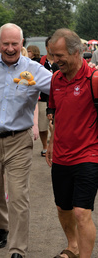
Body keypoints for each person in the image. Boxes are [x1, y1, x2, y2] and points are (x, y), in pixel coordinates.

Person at [0, 23, 52, 258]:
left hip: (19, 140)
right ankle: (2, 226)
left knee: (18, 196)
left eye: (14, 43)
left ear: (22, 43)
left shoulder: (34, 70)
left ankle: (17, 249)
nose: (9, 48)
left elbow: (59, 86)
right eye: (5, 43)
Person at [46, 28, 98, 258]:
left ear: (77, 52)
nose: (55, 61)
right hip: (61, 155)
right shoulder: (56, 79)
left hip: (88, 154)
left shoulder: (93, 78)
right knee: (62, 208)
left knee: (80, 212)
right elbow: (57, 115)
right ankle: (73, 246)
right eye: (52, 56)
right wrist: (50, 144)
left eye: (59, 56)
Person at [38, 37, 59, 157]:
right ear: (46, 47)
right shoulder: (40, 62)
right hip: (43, 97)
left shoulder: (60, 61)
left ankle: (54, 144)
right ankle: (45, 146)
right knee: (42, 125)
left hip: (57, 97)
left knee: (57, 123)